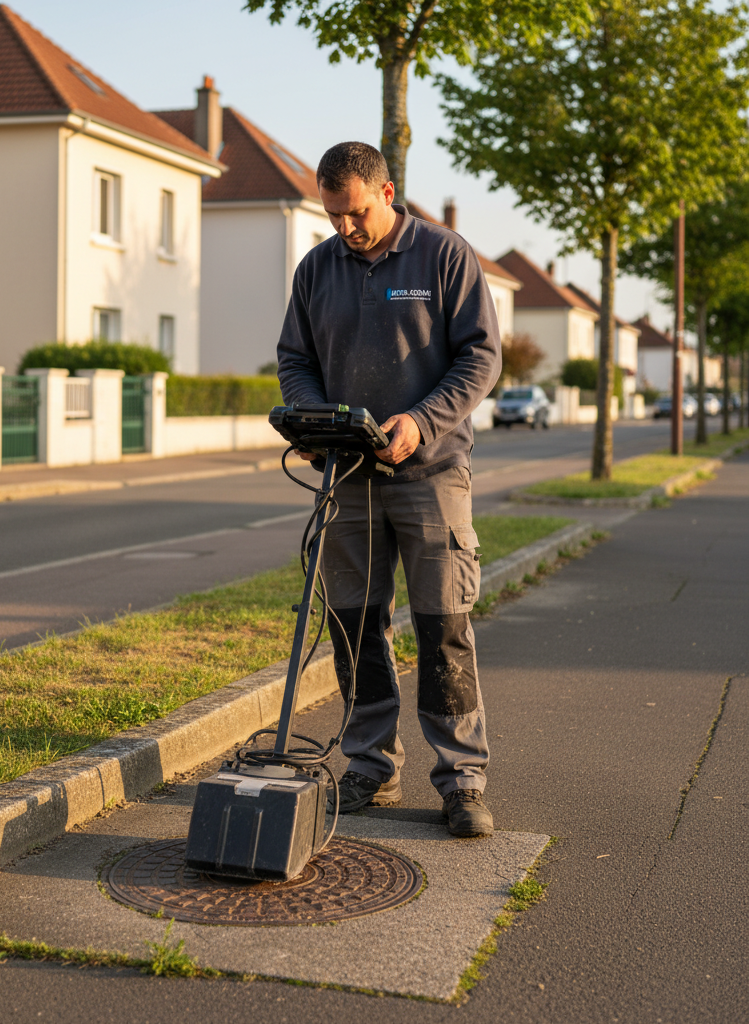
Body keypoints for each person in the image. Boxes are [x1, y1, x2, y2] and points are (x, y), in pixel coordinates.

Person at [276, 141, 501, 837]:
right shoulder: (318, 268)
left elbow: (481, 357)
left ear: (388, 192)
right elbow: (295, 358)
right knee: (354, 626)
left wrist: (421, 420)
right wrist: (312, 417)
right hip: (347, 477)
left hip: (430, 475)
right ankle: (371, 762)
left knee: (443, 630)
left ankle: (462, 778)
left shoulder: (443, 256)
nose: (344, 227)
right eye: (332, 214)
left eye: (355, 212)